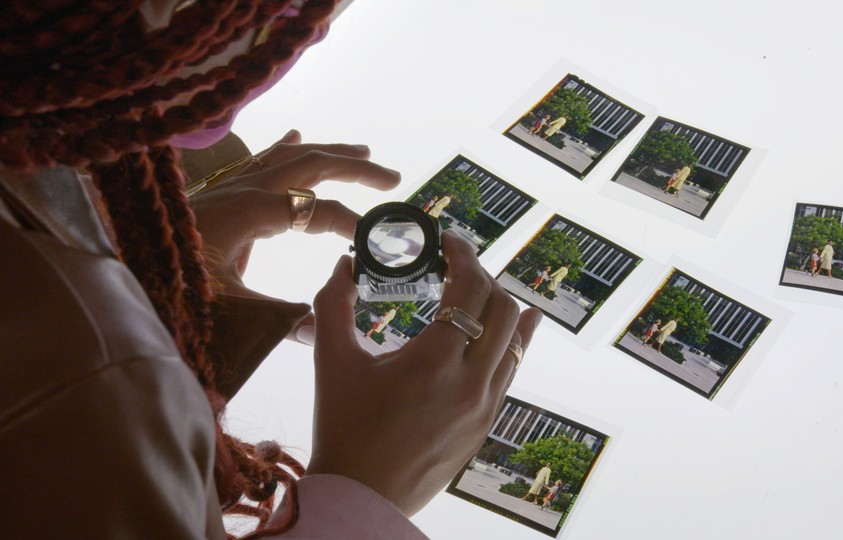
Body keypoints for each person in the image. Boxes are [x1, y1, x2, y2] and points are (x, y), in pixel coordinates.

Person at [0, 2, 543, 538]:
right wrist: (366, 491)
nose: (316, 34)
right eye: (301, 12)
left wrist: (155, 301)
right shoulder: (82, 366)